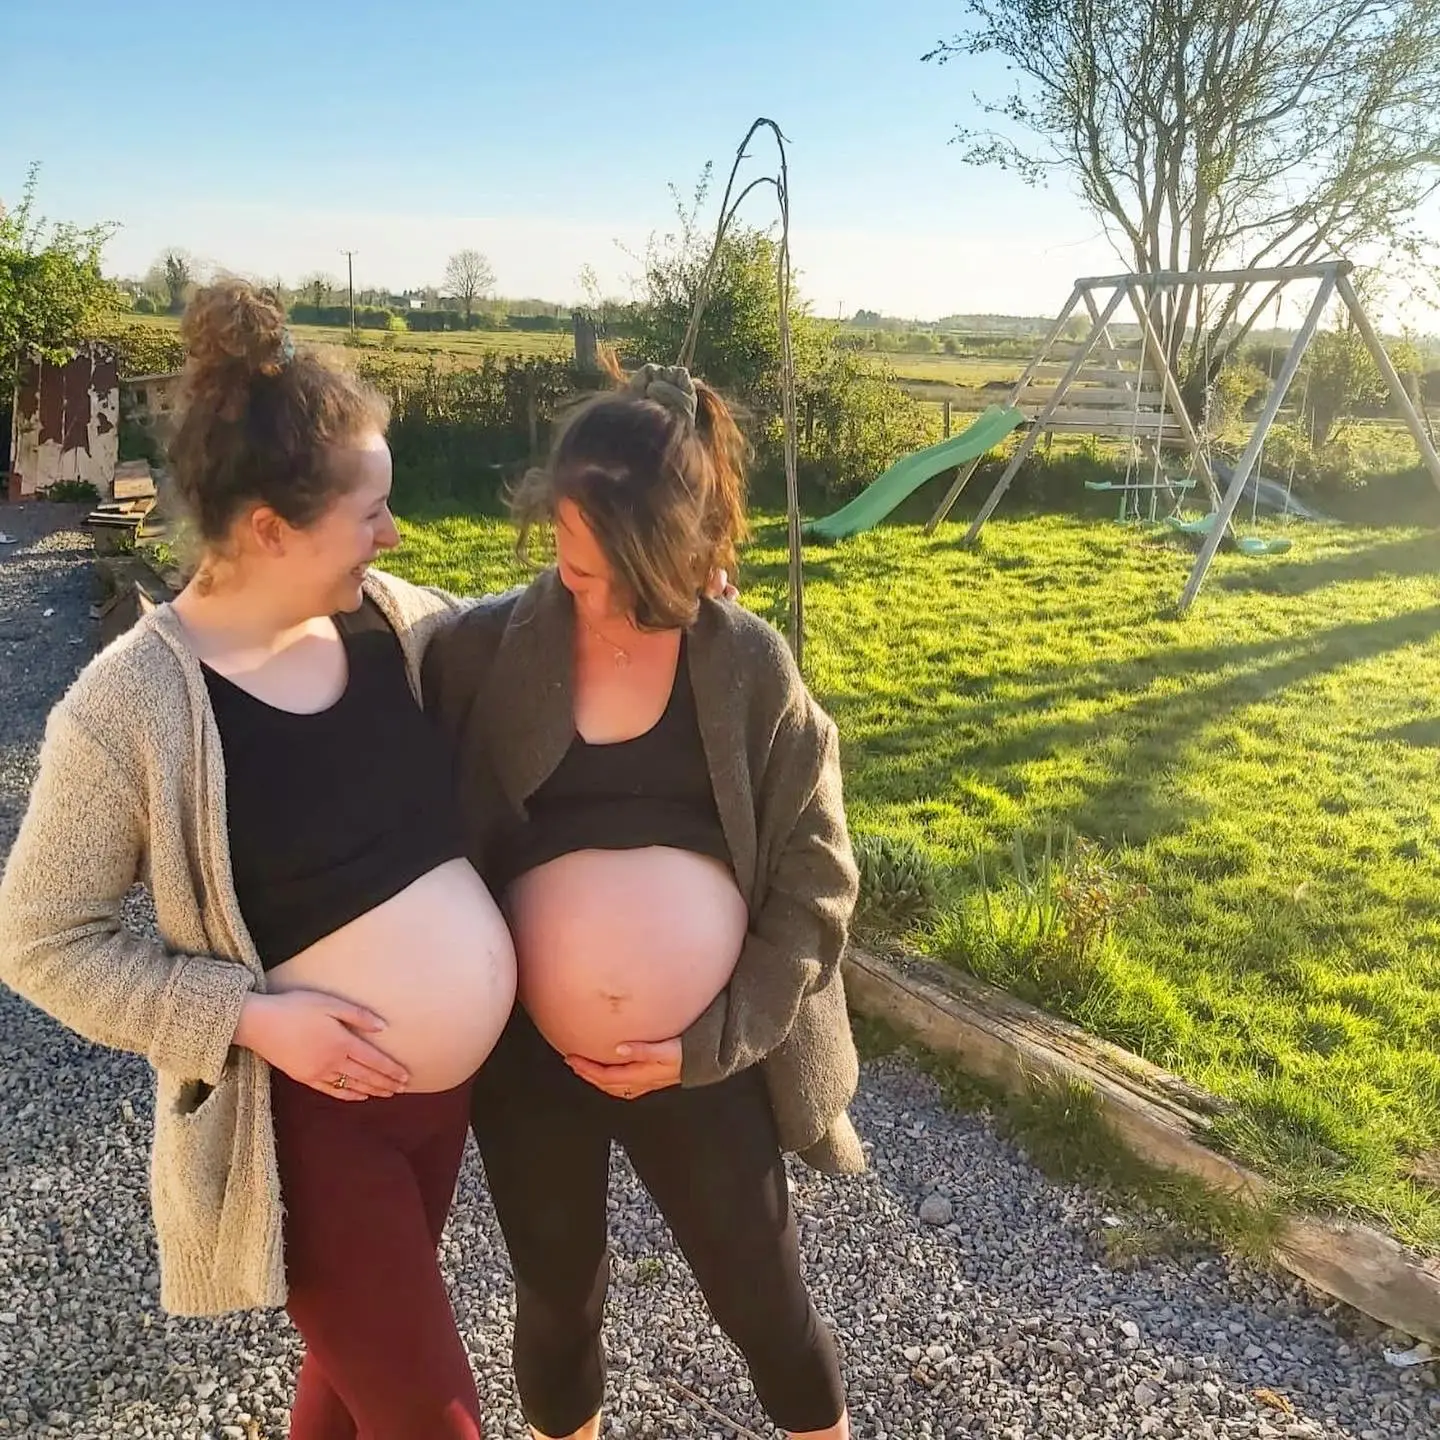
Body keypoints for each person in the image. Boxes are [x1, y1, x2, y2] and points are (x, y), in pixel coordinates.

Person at [0, 280, 518, 1440]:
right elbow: (37, 940)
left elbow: (519, 629)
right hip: (308, 1131)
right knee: (435, 1420)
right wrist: (248, 1017)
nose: (394, 534)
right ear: (273, 529)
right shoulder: (131, 704)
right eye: (371, 511)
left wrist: (656, 586)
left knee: (346, 1392)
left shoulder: (391, 619)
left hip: (438, 1110)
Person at [423, 361, 866, 1440]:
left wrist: (716, 1040)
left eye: (602, 569)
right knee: (557, 1303)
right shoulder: (481, 655)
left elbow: (818, 878)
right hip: (529, 1057)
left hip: (708, 1053)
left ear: (676, 552)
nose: (574, 585)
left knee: (765, 1299)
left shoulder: (749, 666)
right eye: (564, 559)